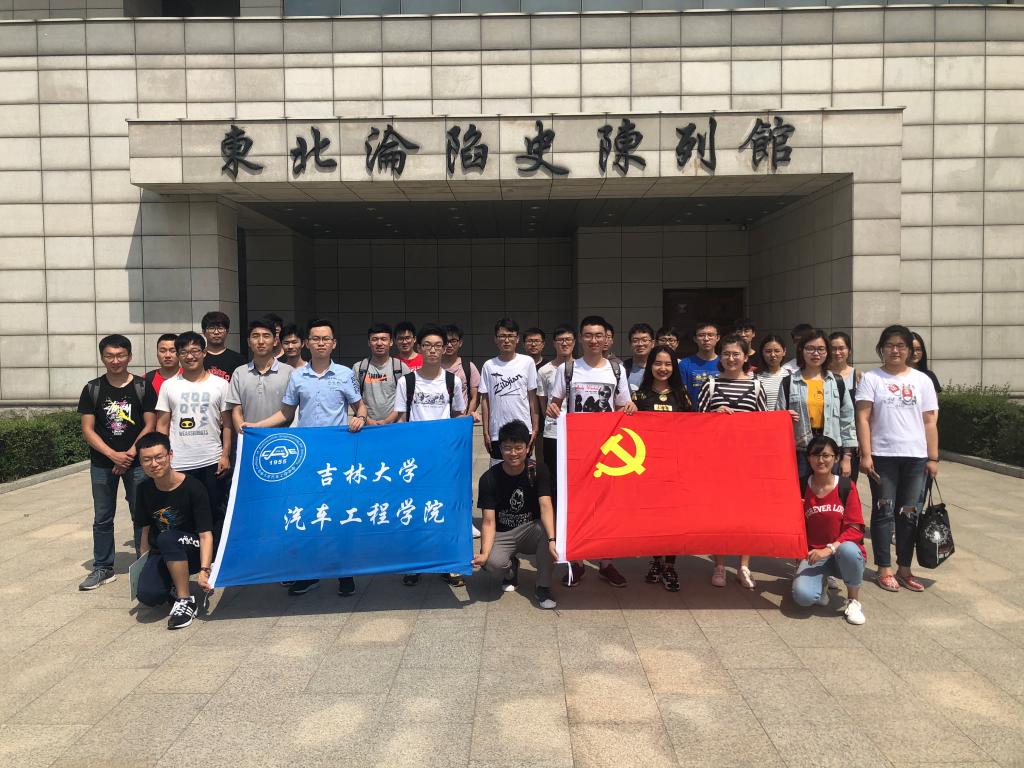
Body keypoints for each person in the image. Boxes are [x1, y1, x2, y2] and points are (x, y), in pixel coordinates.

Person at [243, 318, 368, 597]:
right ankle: (309, 572)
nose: (321, 343)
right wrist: (257, 426)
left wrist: (360, 418)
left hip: (338, 457)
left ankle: (344, 572)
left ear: (334, 343)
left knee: (338, 513)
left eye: (326, 339)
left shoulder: (345, 374)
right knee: (309, 513)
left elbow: (361, 407)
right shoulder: (297, 376)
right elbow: (286, 414)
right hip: (308, 458)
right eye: (316, 339)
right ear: (307, 343)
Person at [546, 315, 635, 587]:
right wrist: (553, 409)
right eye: (588, 335)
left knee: (606, 507)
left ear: (607, 338)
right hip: (577, 450)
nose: (594, 340)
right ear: (580, 338)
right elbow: (555, 402)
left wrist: (630, 408)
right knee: (577, 506)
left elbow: (622, 406)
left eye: (599, 335)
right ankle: (577, 561)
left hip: (607, 451)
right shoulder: (568, 369)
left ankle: (606, 562)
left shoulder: (616, 370)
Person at [856, 325, 939, 593]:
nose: (895, 350)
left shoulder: (922, 380)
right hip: (883, 457)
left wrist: (933, 458)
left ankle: (905, 568)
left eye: (901, 346)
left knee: (909, 514)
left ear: (909, 350)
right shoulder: (872, 378)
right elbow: (863, 418)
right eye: (890, 345)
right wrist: (866, 454)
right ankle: (884, 568)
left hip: (915, 458)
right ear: (882, 348)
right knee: (883, 512)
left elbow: (930, 422)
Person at [77, 334, 157, 591]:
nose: (115, 360)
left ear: (129, 357)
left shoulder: (143, 387)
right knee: (102, 516)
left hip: (137, 463)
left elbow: (150, 424)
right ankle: (103, 567)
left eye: (120, 355)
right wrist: (113, 454)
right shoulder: (92, 388)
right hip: (103, 464)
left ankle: (145, 564)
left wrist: (130, 454)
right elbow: (88, 430)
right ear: (102, 358)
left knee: (141, 514)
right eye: (109, 356)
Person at [394, 323, 469, 587]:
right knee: (414, 511)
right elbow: (401, 419)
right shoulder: (407, 381)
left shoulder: (452, 381)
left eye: (438, 345)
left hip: (444, 460)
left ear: (445, 348)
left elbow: (458, 415)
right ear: (419, 348)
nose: (433, 350)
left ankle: (448, 563)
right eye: (427, 345)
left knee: (444, 511)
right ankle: (414, 563)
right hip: (415, 460)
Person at [697, 334, 767, 590]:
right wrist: (713, 415)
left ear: (746, 356)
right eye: (726, 353)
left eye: (736, 354)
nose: (731, 358)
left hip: (746, 462)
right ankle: (719, 564)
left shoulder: (757, 386)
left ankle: (744, 565)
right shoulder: (710, 385)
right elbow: (696, 421)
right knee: (719, 514)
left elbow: (764, 424)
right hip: (717, 461)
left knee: (746, 514)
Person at [155, 331, 232, 545]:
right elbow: (162, 425)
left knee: (215, 511)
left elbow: (227, 424)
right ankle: (187, 555)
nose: (190, 356)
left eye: (195, 351)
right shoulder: (169, 385)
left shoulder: (220, 384)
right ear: (179, 355)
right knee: (181, 514)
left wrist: (225, 455)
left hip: (212, 460)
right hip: (179, 461)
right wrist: (164, 457)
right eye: (184, 352)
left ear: (204, 353)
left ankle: (214, 556)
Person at [472, 420, 558, 610]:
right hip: (503, 533)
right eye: (507, 448)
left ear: (527, 448)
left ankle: (543, 586)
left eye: (518, 448)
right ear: (500, 449)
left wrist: (553, 539)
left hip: (531, 529)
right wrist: (484, 554)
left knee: (548, 532)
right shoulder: (489, 478)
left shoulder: (538, 470)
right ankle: (510, 570)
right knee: (492, 564)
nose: (513, 453)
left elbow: (545, 506)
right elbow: (488, 522)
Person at [133, 433, 214, 630]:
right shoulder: (144, 489)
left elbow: (205, 535)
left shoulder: (193, 487)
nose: (154, 464)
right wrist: (142, 567)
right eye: (147, 460)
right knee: (148, 595)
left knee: (168, 538)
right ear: (141, 463)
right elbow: (145, 531)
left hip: (192, 549)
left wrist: (205, 571)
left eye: (159, 457)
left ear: (170, 455)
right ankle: (172, 582)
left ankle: (186, 600)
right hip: (164, 549)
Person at [633, 344, 692, 592]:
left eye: (668, 364)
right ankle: (656, 560)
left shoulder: (682, 396)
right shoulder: (638, 396)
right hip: (649, 468)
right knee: (654, 517)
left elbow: (696, 426)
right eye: (658, 363)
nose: (663, 368)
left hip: (675, 467)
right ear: (650, 366)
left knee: (673, 518)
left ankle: (669, 565)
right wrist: (628, 412)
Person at [791, 436, 866, 626]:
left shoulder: (846, 486)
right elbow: (793, 526)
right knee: (803, 597)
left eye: (826, 455)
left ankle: (853, 601)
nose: (821, 460)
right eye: (815, 455)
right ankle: (822, 582)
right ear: (808, 458)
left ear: (836, 458)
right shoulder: (801, 486)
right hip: (814, 555)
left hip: (841, 553)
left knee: (849, 549)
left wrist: (830, 549)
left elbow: (855, 528)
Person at [777, 329, 856, 489]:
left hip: (830, 450)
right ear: (801, 350)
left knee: (829, 494)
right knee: (801, 494)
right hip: (800, 451)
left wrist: (847, 457)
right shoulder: (788, 382)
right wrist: (784, 417)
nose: (816, 353)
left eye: (821, 349)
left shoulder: (837, 382)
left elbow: (847, 421)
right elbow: (778, 420)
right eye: (810, 349)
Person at [479, 318, 540, 466]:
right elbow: (485, 400)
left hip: (523, 428)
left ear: (517, 339)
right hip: (497, 431)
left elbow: (532, 397)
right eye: (502, 336)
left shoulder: (527, 362)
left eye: (510, 336)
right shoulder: (489, 365)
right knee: (498, 470)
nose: (506, 340)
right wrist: (485, 431)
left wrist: (535, 428)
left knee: (523, 470)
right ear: (495, 339)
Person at [228, 319, 294, 433]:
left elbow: (288, 412)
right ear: (249, 342)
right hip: (249, 436)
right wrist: (244, 432)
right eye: (255, 336)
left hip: (280, 438)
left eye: (266, 336)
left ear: (275, 341)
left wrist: (257, 426)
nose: (261, 341)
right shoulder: (239, 373)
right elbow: (236, 411)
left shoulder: (289, 372)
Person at [535, 324, 576, 503]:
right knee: (553, 474)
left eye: (568, 340)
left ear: (574, 342)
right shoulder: (544, 371)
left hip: (576, 431)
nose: (564, 343)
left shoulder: (581, 368)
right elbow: (543, 404)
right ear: (553, 343)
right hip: (553, 431)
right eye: (560, 340)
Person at [353, 322, 410, 425]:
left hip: (394, 426)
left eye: (384, 339)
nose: (379, 343)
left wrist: (387, 421)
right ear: (369, 343)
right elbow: (353, 399)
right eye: (375, 339)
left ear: (391, 342)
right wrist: (367, 420)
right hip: (365, 426)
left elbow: (406, 399)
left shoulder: (401, 368)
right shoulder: (358, 368)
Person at [828, 331, 862, 480]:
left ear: (849, 350)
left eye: (841, 348)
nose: (837, 352)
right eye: (833, 348)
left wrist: (862, 441)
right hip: (829, 438)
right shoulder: (822, 375)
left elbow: (862, 412)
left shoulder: (858, 376)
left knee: (847, 483)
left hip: (851, 439)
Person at [442, 324, 480, 423]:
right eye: (446, 341)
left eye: (453, 341)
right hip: (439, 422)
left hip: (460, 422)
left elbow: (475, 397)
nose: (449, 345)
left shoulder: (468, 367)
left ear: (460, 343)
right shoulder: (434, 367)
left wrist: (466, 419)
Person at [679, 321, 721, 406]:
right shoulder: (685, 364)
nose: (706, 339)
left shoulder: (725, 362)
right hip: (693, 412)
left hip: (720, 412)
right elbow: (682, 393)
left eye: (710, 335)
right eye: (701, 335)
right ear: (695, 339)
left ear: (717, 338)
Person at [201, 311, 246, 382]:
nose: (216, 332)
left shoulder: (239, 359)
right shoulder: (197, 358)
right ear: (204, 332)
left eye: (220, 328)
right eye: (211, 328)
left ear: (227, 331)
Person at [756, 335, 787, 412]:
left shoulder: (790, 376)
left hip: (785, 418)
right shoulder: (755, 377)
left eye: (777, 351)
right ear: (762, 353)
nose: (773, 355)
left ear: (784, 352)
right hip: (763, 418)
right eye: (768, 351)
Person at [145, 333, 180, 398]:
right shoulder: (145, 380)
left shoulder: (191, 377)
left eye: (173, 351)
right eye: (163, 351)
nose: (167, 355)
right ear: (157, 354)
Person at [624, 322, 655, 392]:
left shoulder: (660, 368)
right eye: (635, 341)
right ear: (630, 344)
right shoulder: (622, 368)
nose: (640, 344)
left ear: (653, 343)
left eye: (644, 340)